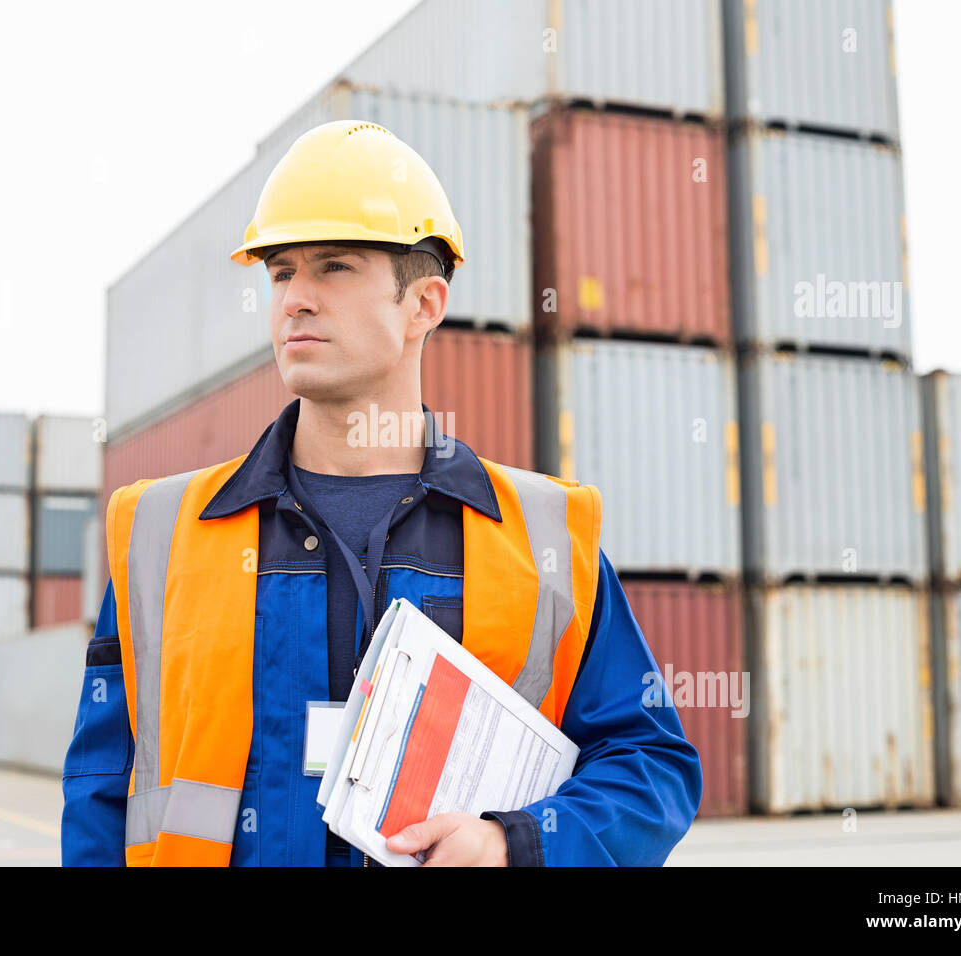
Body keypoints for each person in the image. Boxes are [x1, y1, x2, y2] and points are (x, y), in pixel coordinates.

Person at [61, 120, 702, 867]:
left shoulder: (544, 538)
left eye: (333, 267)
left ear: (424, 305)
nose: (294, 298)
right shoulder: (162, 532)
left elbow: (651, 767)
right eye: (279, 273)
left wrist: (511, 844)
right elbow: (102, 792)